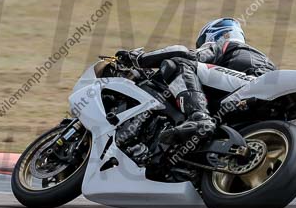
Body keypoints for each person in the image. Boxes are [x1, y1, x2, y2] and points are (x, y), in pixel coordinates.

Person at [116, 18, 277, 147]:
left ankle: (199, 118)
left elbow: (185, 54)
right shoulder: (254, 57)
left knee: (178, 63)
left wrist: (138, 59)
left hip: (251, 84)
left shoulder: (224, 44)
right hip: (258, 100)